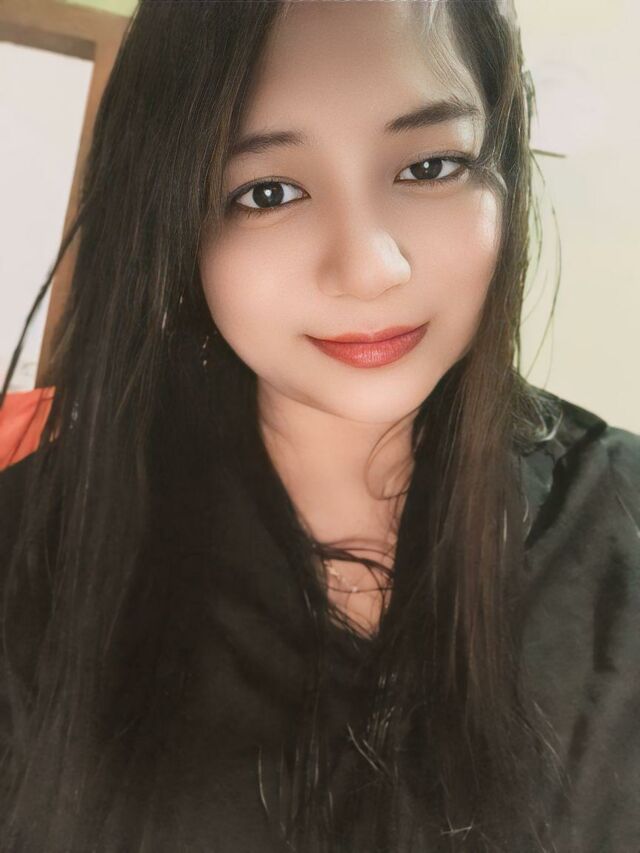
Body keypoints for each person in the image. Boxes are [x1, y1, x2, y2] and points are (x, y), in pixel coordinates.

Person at [0, 0, 638, 850]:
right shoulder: (32, 553)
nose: (371, 268)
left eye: (432, 166)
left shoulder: (621, 521)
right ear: (174, 222)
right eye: (268, 192)